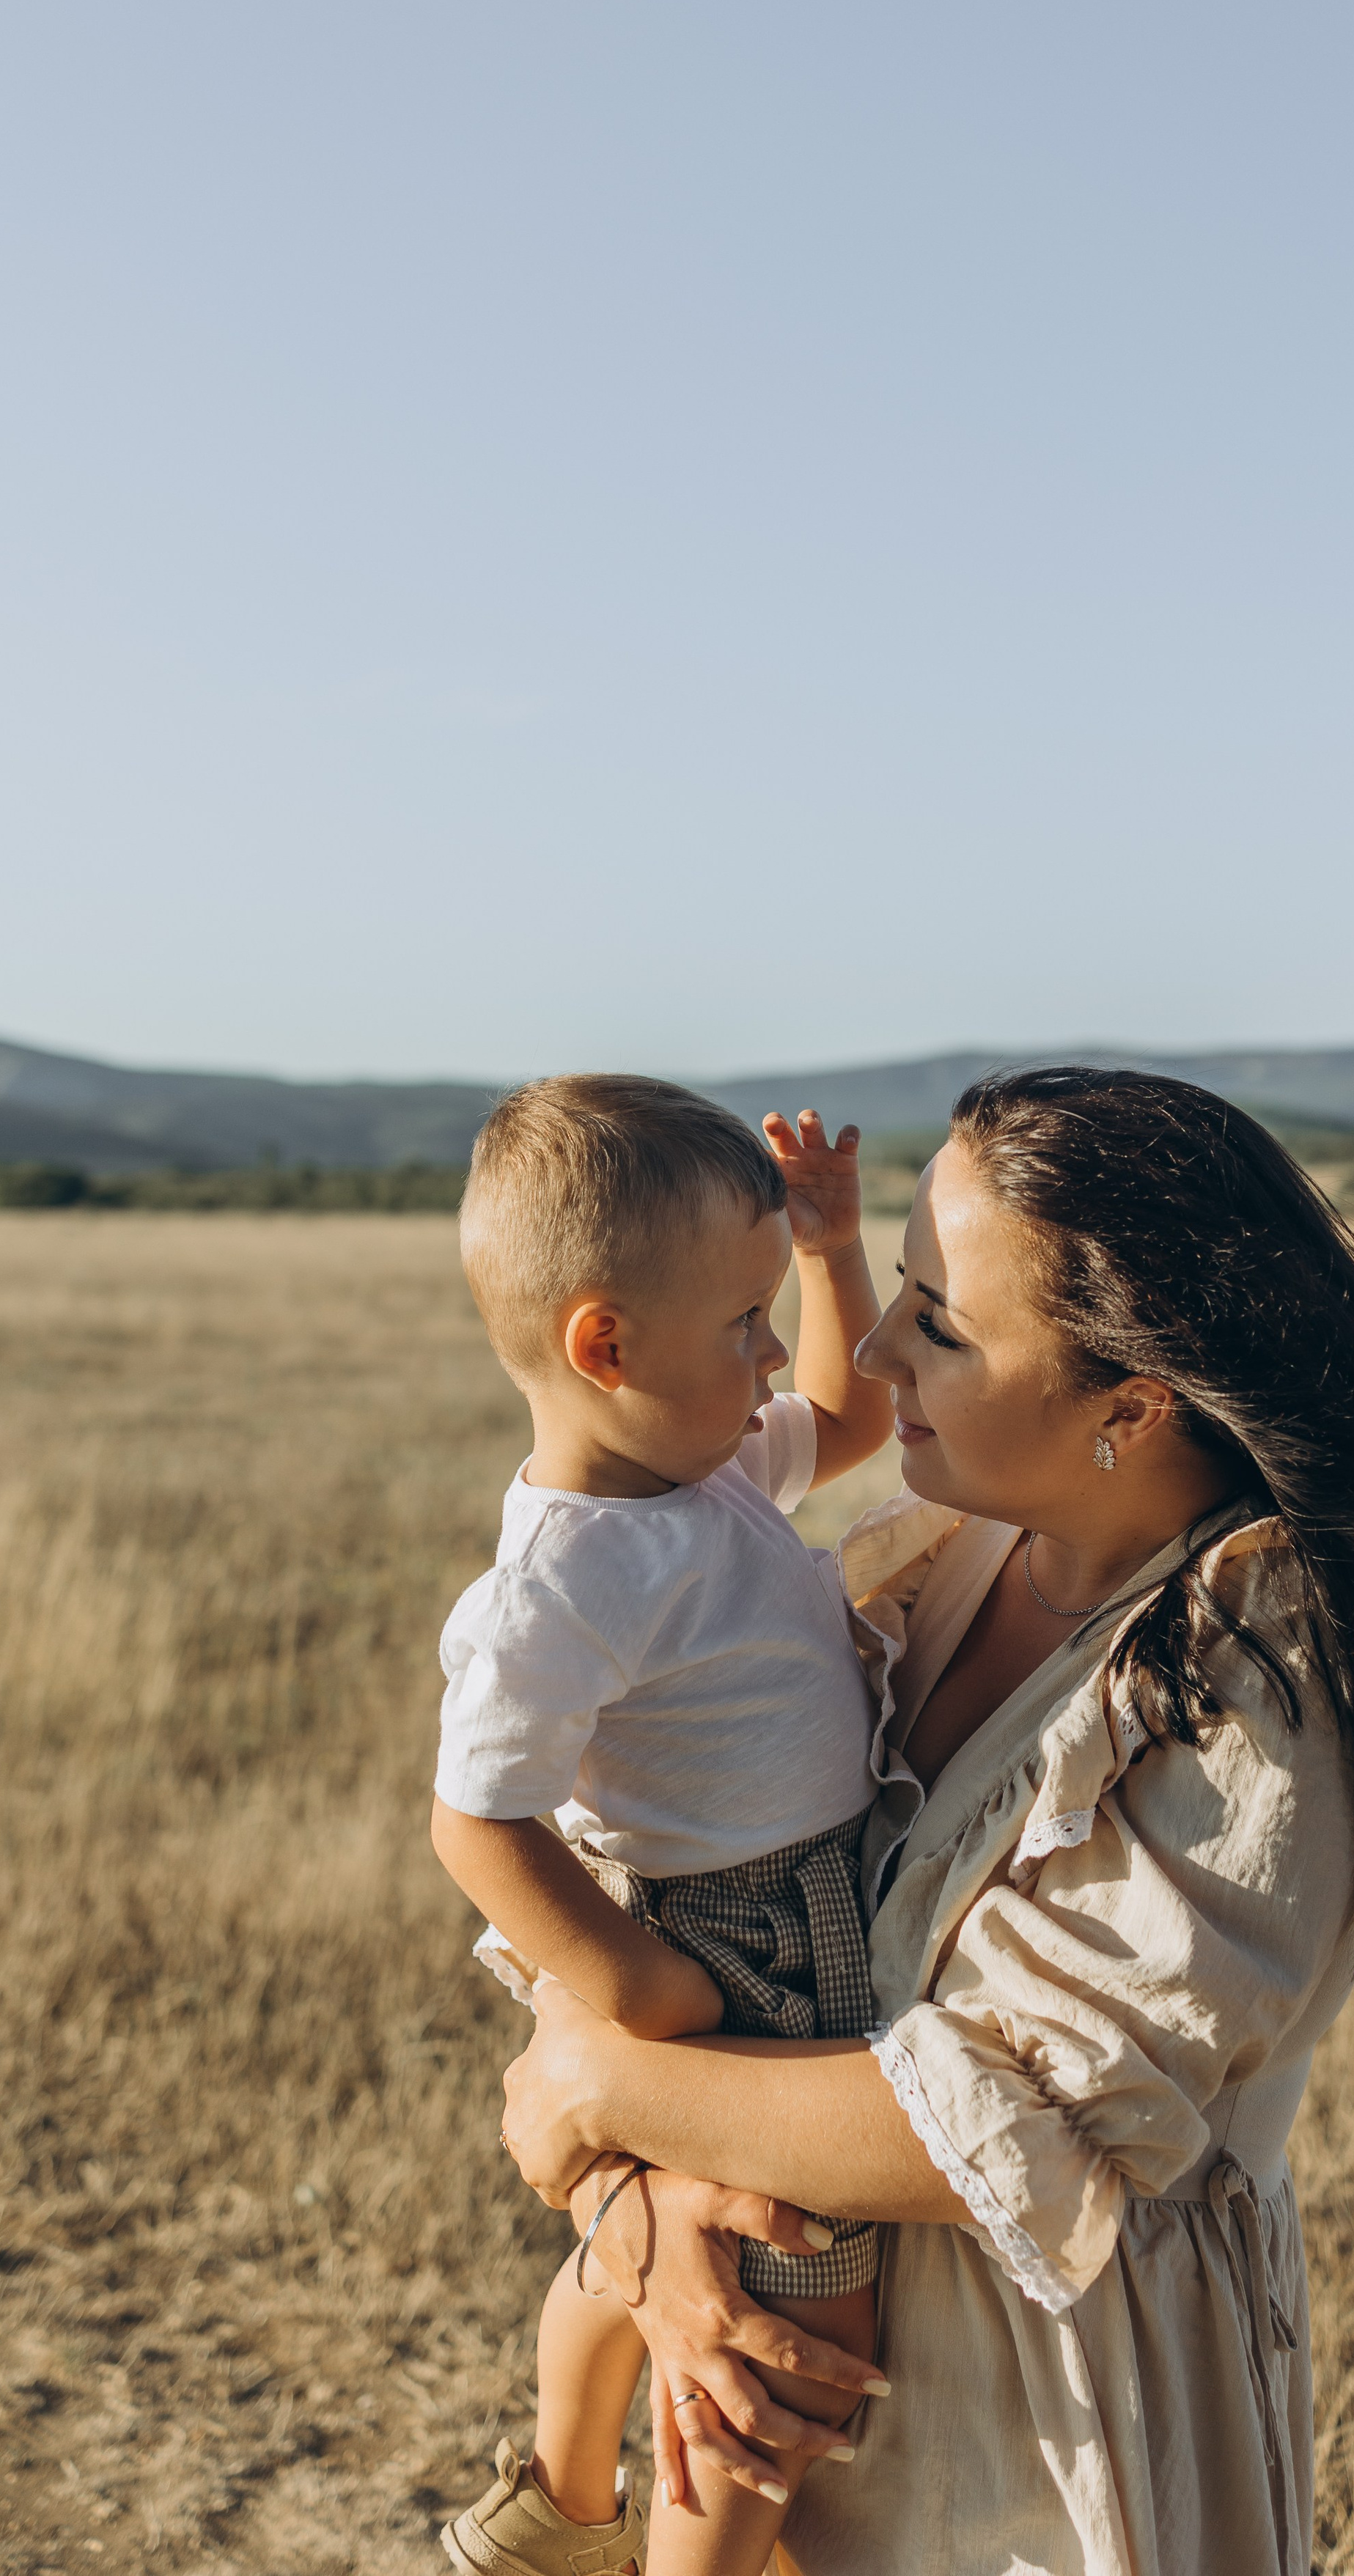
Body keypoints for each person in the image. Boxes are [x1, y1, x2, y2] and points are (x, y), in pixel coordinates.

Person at [499, 1064, 1354, 2576]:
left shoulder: (1251, 1682)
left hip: (1036, 2451)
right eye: (892, 1288)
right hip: (795, 2386)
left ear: (1132, 1405)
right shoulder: (949, 1552)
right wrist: (657, 2205)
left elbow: (991, 2124)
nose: (876, 1349)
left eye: (940, 1326)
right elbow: (684, 1858)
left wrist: (597, 2086)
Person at [427, 1075, 896, 2576]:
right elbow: (475, 1820)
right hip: (739, 1937)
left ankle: (556, 2505)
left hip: (780, 1909)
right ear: (603, 1345)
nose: (769, 1362)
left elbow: (850, 1414)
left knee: (642, 2264)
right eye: (742, 1325)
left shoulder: (704, 1468)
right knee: (776, 2333)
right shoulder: (566, 1578)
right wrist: (636, 1990)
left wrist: (827, 1252)